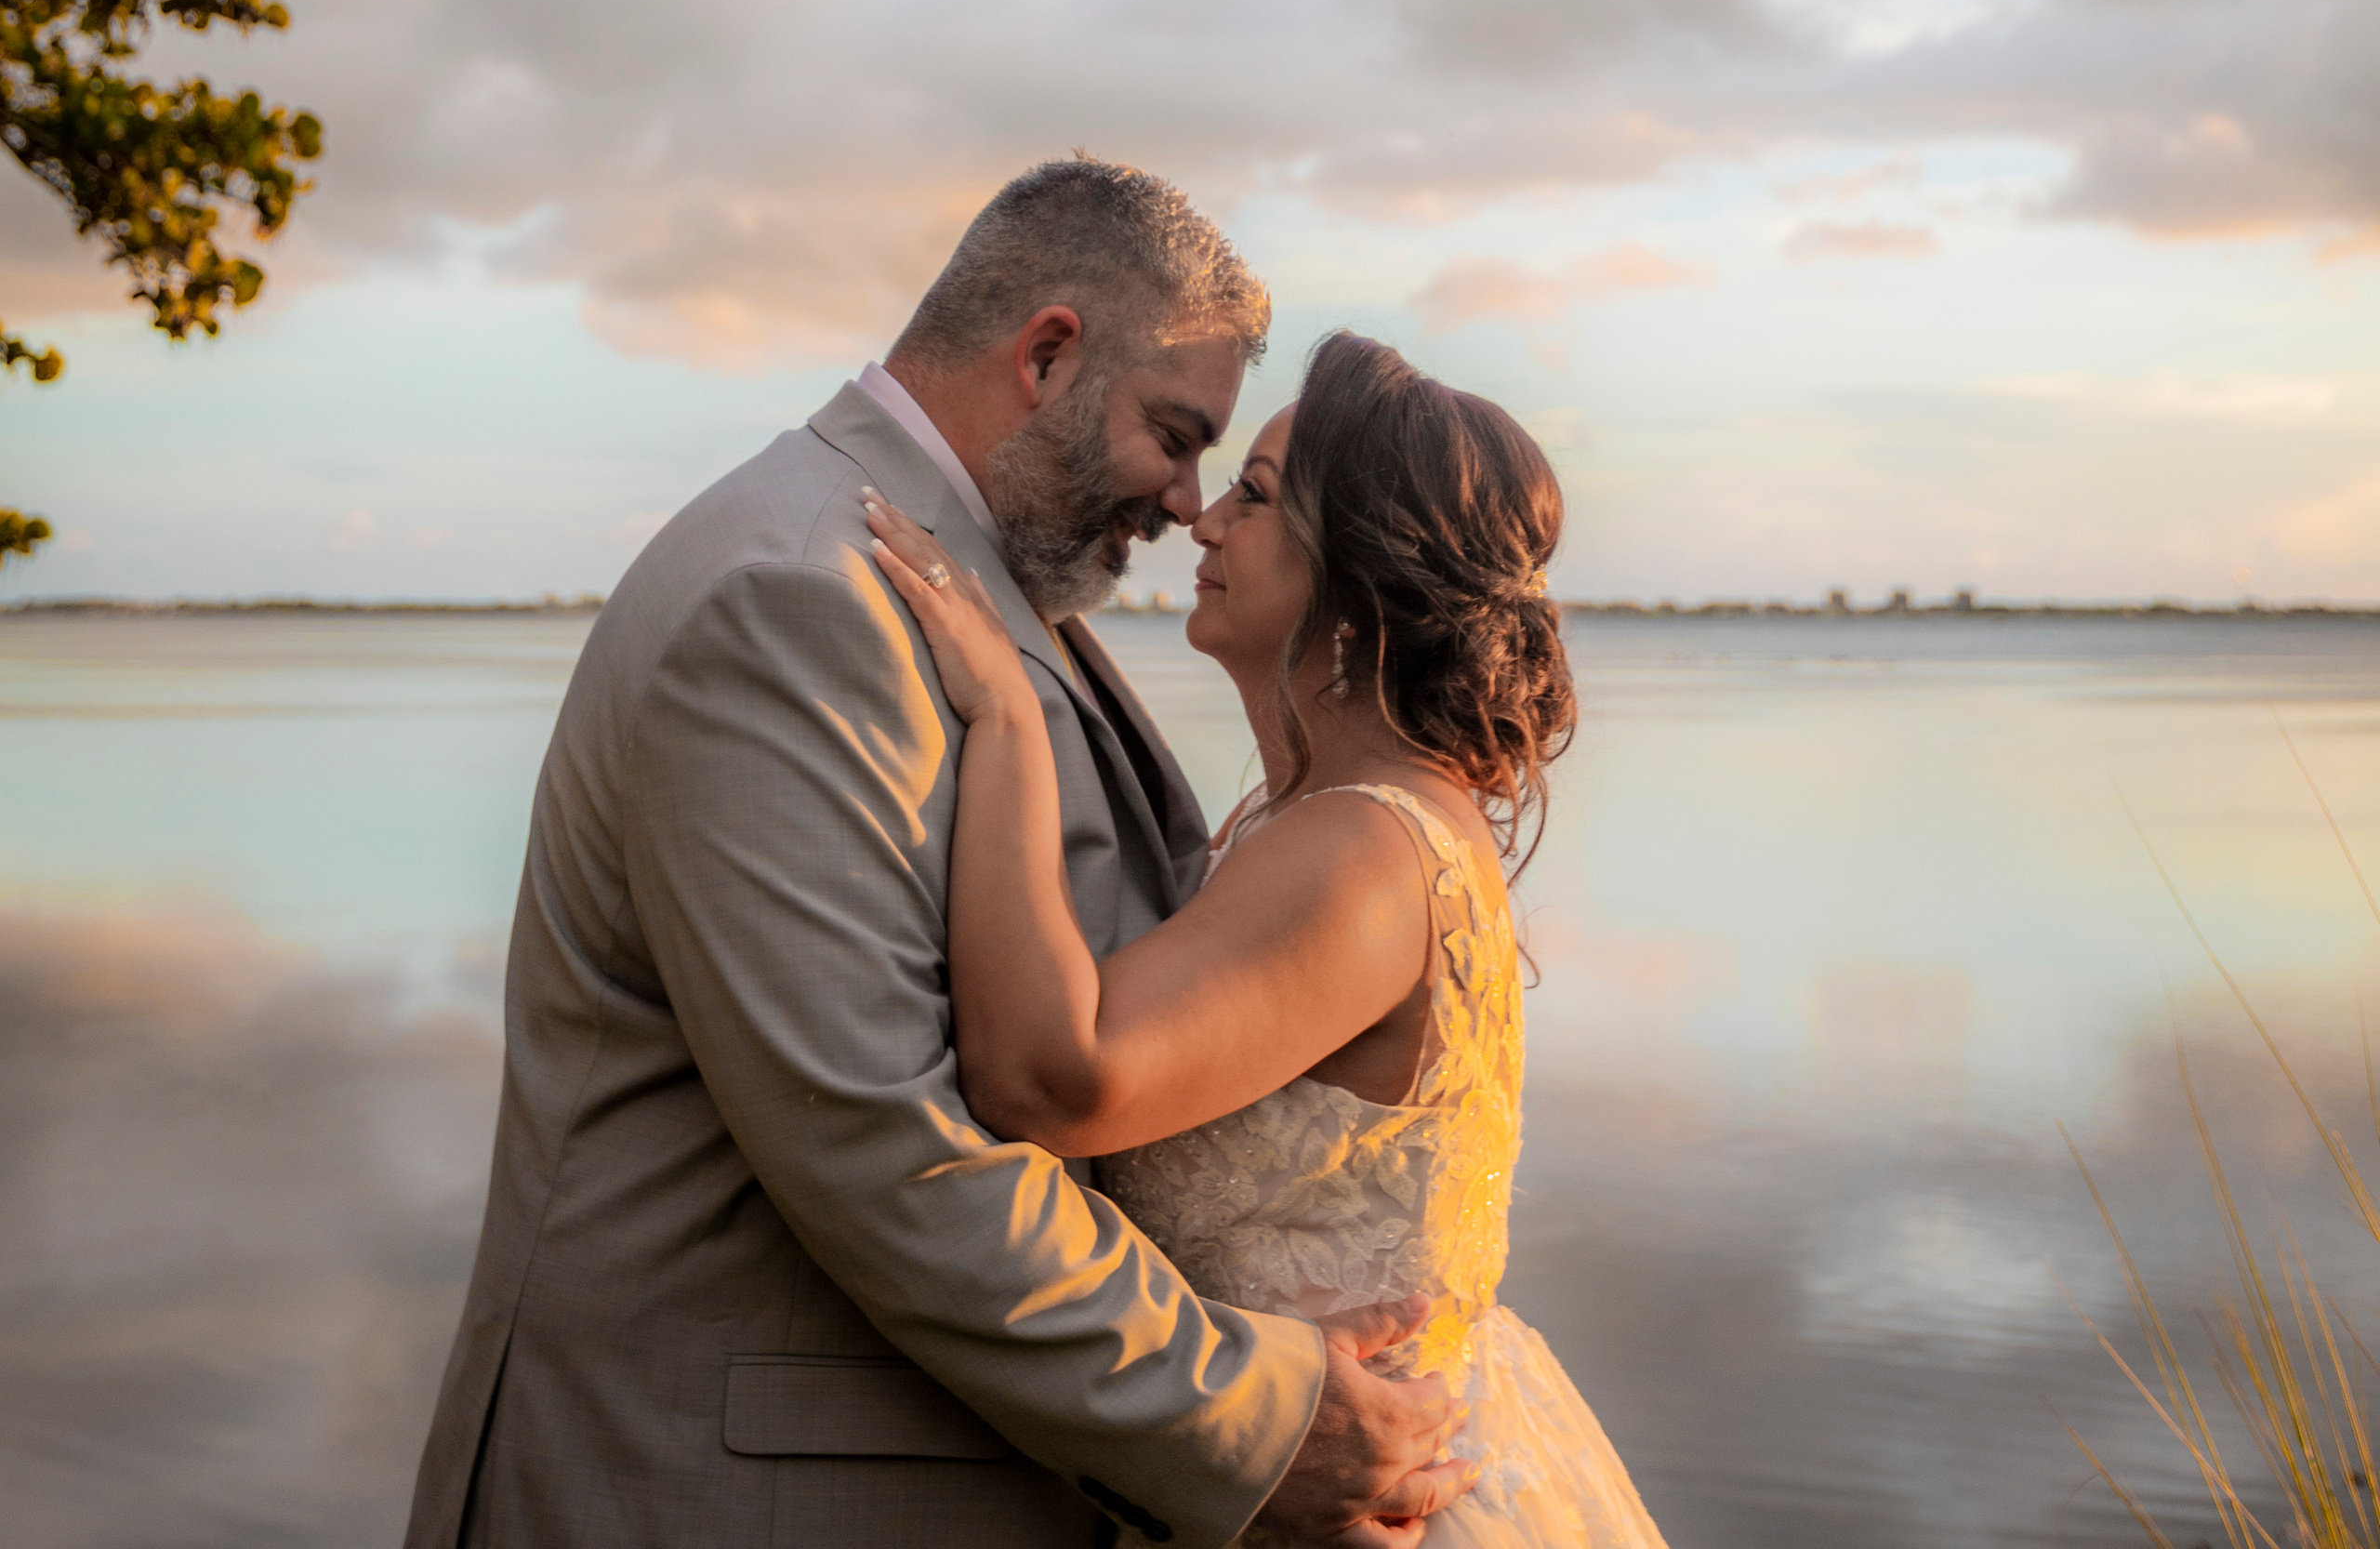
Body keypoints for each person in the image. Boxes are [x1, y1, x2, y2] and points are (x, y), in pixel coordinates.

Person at [403, 159, 1474, 1549]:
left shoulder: (948, 578)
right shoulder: (799, 597)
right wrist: (1255, 1422)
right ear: (1048, 354)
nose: (1188, 503)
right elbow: (886, 1146)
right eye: (1174, 433)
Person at [867, 326, 1671, 1549]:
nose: (1204, 523)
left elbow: (1053, 1076)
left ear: (1357, 579)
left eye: (1254, 495)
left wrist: (1006, 725)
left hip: (1359, 1498)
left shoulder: (1362, 847)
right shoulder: (1362, 818)